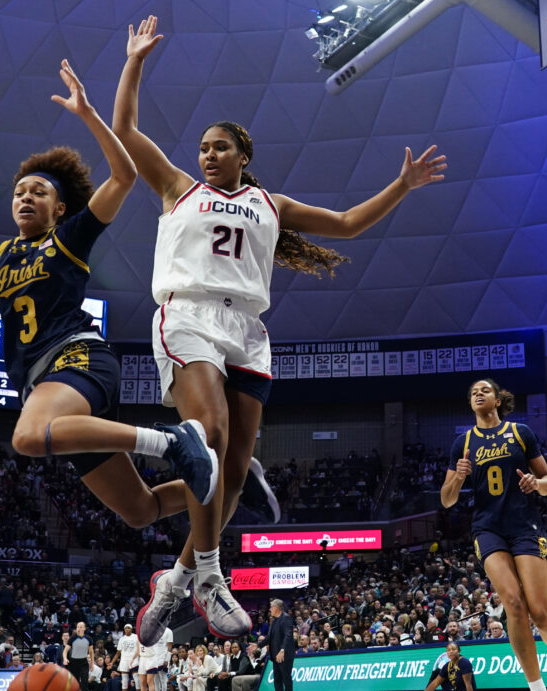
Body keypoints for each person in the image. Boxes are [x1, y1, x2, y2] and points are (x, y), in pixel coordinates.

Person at [114, 16, 447, 644]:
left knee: (234, 473)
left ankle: (178, 581)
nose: (207, 155)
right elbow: (127, 130)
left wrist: (401, 186)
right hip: (188, 315)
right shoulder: (177, 188)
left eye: (220, 147)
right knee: (207, 436)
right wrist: (134, 63)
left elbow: (347, 223)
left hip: (248, 332)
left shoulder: (269, 205)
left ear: (244, 156)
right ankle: (212, 576)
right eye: (203, 147)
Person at [0, 61, 217, 541]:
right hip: (46, 384)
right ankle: (230, 479)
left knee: (25, 437)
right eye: (18, 192)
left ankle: (169, 441)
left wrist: (87, 114)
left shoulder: (69, 236)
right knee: (140, 510)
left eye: (38, 192)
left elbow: (123, 175)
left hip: (77, 358)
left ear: (59, 208)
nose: (24, 197)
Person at [440, 378, 547, 691]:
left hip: (525, 525)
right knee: (512, 602)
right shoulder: (462, 443)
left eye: (484, 390)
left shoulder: (521, 432)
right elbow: (446, 499)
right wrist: (458, 478)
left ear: (497, 399)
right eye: (473, 392)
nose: (478, 394)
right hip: (487, 529)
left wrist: (535, 484)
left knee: (541, 612)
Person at [404, 642, 484, 691]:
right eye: (448, 650)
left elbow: (468, 684)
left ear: (459, 651)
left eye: (453, 649)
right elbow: (436, 683)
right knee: (437, 672)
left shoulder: (464, 662)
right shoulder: (448, 665)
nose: (451, 652)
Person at [266, 598, 296, 691]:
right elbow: (269, 637)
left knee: (286, 677)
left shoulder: (286, 618)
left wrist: (282, 650)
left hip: (285, 654)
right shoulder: (274, 621)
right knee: (277, 679)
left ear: (277, 607)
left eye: (271, 606)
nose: (270, 609)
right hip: (275, 655)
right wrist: (257, 645)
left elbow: (288, 635)